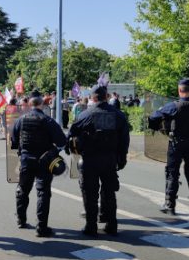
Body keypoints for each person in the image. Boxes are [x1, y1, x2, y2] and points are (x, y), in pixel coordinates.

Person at [68, 85, 130, 236]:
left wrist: (73, 149)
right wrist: (122, 158)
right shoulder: (118, 115)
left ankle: (91, 226)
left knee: (90, 193)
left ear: (93, 98)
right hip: (110, 159)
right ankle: (111, 224)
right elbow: (124, 140)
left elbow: (71, 133)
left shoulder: (86, 114)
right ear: (106, 97)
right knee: (109, 192)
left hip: (90, 159)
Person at [147, 78, 189, 216]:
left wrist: (157, 128)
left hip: (176, 143)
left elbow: (153, 118)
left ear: (179, 90)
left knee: (172, 172)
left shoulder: (173, 106)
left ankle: (170, 205)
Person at [10, 90, 66, 237]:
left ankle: (21, 220)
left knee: (23, 190)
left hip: (26, 161)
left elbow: (14, 141)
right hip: (44, 161)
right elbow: (62, 141)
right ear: (42, 104)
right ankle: (41, 227)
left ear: (29, 104)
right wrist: (52, 150)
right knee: (43, 193)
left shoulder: (20, 120)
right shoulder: (48, 121)